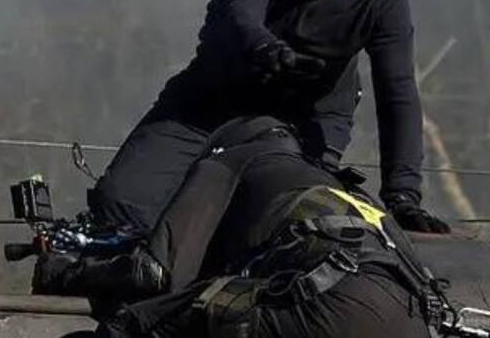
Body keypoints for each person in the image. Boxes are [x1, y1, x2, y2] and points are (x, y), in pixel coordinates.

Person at [88, 0, 448, 235]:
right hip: (210, 103)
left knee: (284, 226)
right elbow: (236, 17)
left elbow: (397, 92)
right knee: (120, 204)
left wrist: (403, 195)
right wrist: (268, 51)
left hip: (310, 120)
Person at [92, 115, 443, 338]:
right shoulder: (350, 190)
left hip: (333, 308)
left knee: (146, 322)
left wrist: (71, 271)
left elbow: (157, 274)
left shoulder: (232, 161)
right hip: (413, 322)